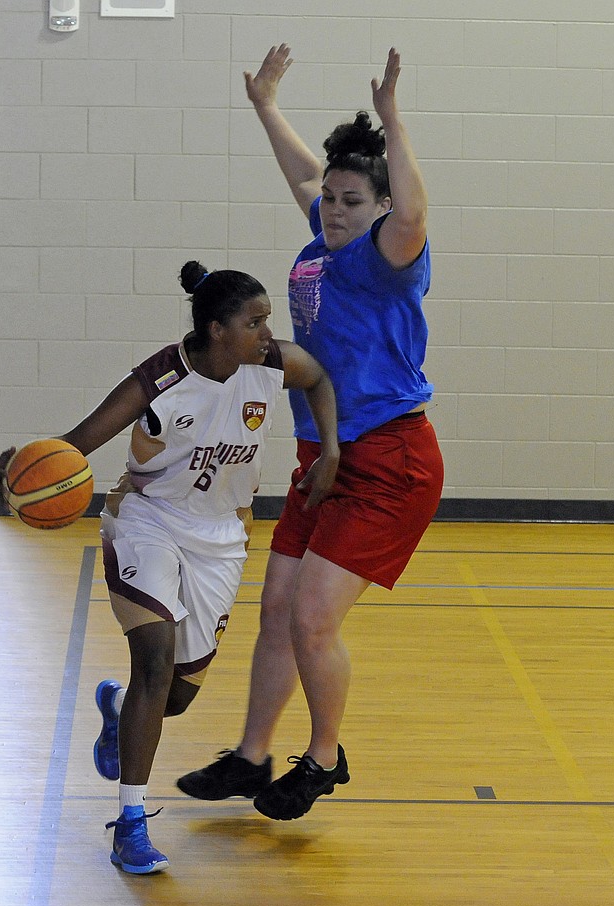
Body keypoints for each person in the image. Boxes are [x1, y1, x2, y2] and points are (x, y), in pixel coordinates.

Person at [0, 260, 339, 872]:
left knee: (173, 697)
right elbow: (76, 444)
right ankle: (130, 824)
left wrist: (330, 450)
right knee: (153, 664)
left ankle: (117, 712)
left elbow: (320, 378)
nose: (267, 333)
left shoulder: (273, 364)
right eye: (254, 322)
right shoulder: (160, 379)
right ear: (216, 330)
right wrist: (18, 473)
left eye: (267, 321)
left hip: (222, 537)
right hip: (147, 522)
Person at [176, 47, 445, 821]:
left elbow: (413, 213)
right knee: (277, 610)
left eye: (351, 200)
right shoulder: (323, 242)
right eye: (329, 198)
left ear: (381, 205)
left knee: (312, 619)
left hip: (389, 459)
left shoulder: (389, 255)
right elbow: (305, 176)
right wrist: (266, 106)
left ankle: (325, 757)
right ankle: (251, 755)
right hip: (321, 456)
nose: (331, 208)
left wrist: (393, 120)